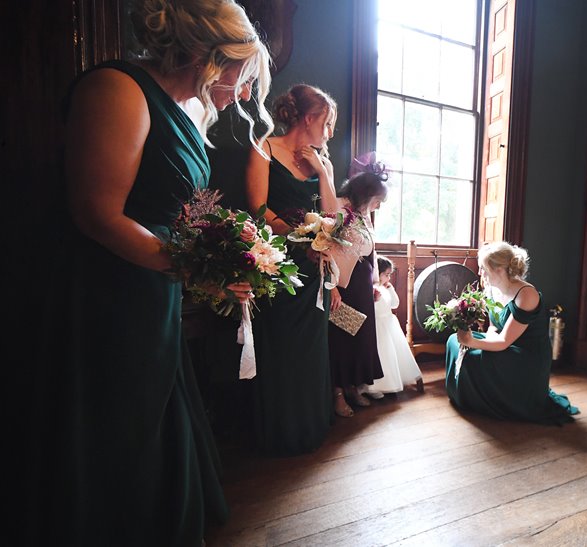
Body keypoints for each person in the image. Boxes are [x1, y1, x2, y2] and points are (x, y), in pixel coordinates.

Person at [22, 1, 275, 545]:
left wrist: (226, 252)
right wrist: (201, 268)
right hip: (103, 294)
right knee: (115, 423)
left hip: (153, 288)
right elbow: (97, 213)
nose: (243, 92)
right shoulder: (117, 89)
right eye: (241, 73)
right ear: (209, 55)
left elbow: (183, 215)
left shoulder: (184, 111)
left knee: (150, 418)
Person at [245, 83, 339, 455]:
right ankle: (281, 431)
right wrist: (298, 233)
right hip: (278, 265)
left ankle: (311, 426)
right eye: (327, 123)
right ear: (309, 118)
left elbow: (332, 218)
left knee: (311, 349)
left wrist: (322, 171)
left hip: (315, 267)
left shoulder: (323, 161)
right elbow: (256, 209)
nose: (328, 132)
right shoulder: (265, 149)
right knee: (282, 348)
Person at [445, 242, 580, 424]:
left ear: (500, 270)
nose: (480, 274)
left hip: (526, 356)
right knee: (454, 341)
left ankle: (486, 401)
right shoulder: (492, 289)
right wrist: (479, 340)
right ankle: (467, 397)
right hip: (504, 342)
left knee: (473, 354)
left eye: (484, 269)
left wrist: (473, 342)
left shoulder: (526, 295)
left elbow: (503, 341)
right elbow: (494, 327)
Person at [327, 166, 390, 416]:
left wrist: (374, 283)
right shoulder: (339, 207)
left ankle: (354, 387)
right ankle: (338, 393)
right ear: (365, 194)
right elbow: (329, 248)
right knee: (342, 337)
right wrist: (331, 286)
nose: (379, 206)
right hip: (344, 283)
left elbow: (370, 249)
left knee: (361, 337)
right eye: (378, 200)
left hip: (362, 281)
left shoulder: (364, 213)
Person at [368, 256, 424, 395]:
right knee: (381, 355)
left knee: (392, 355)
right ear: (377, 274)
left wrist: (391, 289)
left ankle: (391, 382)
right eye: (386, 275)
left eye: (389, 275)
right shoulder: (373, 290)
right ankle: (375, 387)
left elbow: (395, 303)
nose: (389, 278)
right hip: (378, 326)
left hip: (389, 324)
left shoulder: (385, 288)